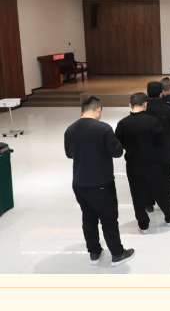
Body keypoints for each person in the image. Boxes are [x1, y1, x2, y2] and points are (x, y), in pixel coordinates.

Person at [64, 96, 134, 267]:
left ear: (82, 111)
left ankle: (94, 252)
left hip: (79, 182)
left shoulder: (70, 129)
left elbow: (69, 154)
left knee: (88, 217)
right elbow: (117, 152)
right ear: (99, 109)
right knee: (108, 219)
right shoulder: (103, 128)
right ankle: (117, 254)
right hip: (101, 182)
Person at [116, 93, 170, 234]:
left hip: (133, 164)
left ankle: (143, 224)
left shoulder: (122, 123)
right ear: (145, 104)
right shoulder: (153, 122)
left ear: (130, 104)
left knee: (137, 195)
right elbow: (162, 142)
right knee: (160, 191)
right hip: (152, 163)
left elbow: (119, 144)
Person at [146, 81, 170, 213]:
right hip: (166, 149)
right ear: (161, 93)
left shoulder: (144, 110)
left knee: (148, 177)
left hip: (147, 150)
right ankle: (167, 203)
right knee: (165, 177)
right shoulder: (169, 108)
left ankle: (149, 203)